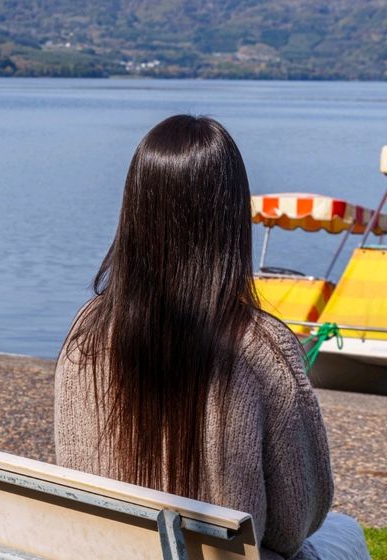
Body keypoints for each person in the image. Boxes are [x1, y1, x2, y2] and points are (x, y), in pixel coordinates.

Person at [54, 115, 370, 560]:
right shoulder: (263, 347)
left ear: (136, 210)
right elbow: (296, 522)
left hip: (112, 552)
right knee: (346, 532)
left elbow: (75, 476)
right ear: (229, 218)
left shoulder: (86, 336)